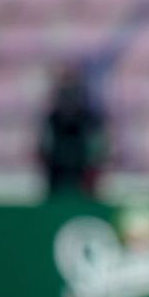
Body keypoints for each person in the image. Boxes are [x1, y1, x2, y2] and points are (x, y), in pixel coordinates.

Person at [37, 63, 108, 198]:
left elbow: (99, 148)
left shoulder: (90, 120)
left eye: (74, 90)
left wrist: (93, 163)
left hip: (84, 172)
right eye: (65, 90)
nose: (69, 97)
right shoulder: (52, 120)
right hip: (57, 171)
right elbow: (44, 147)